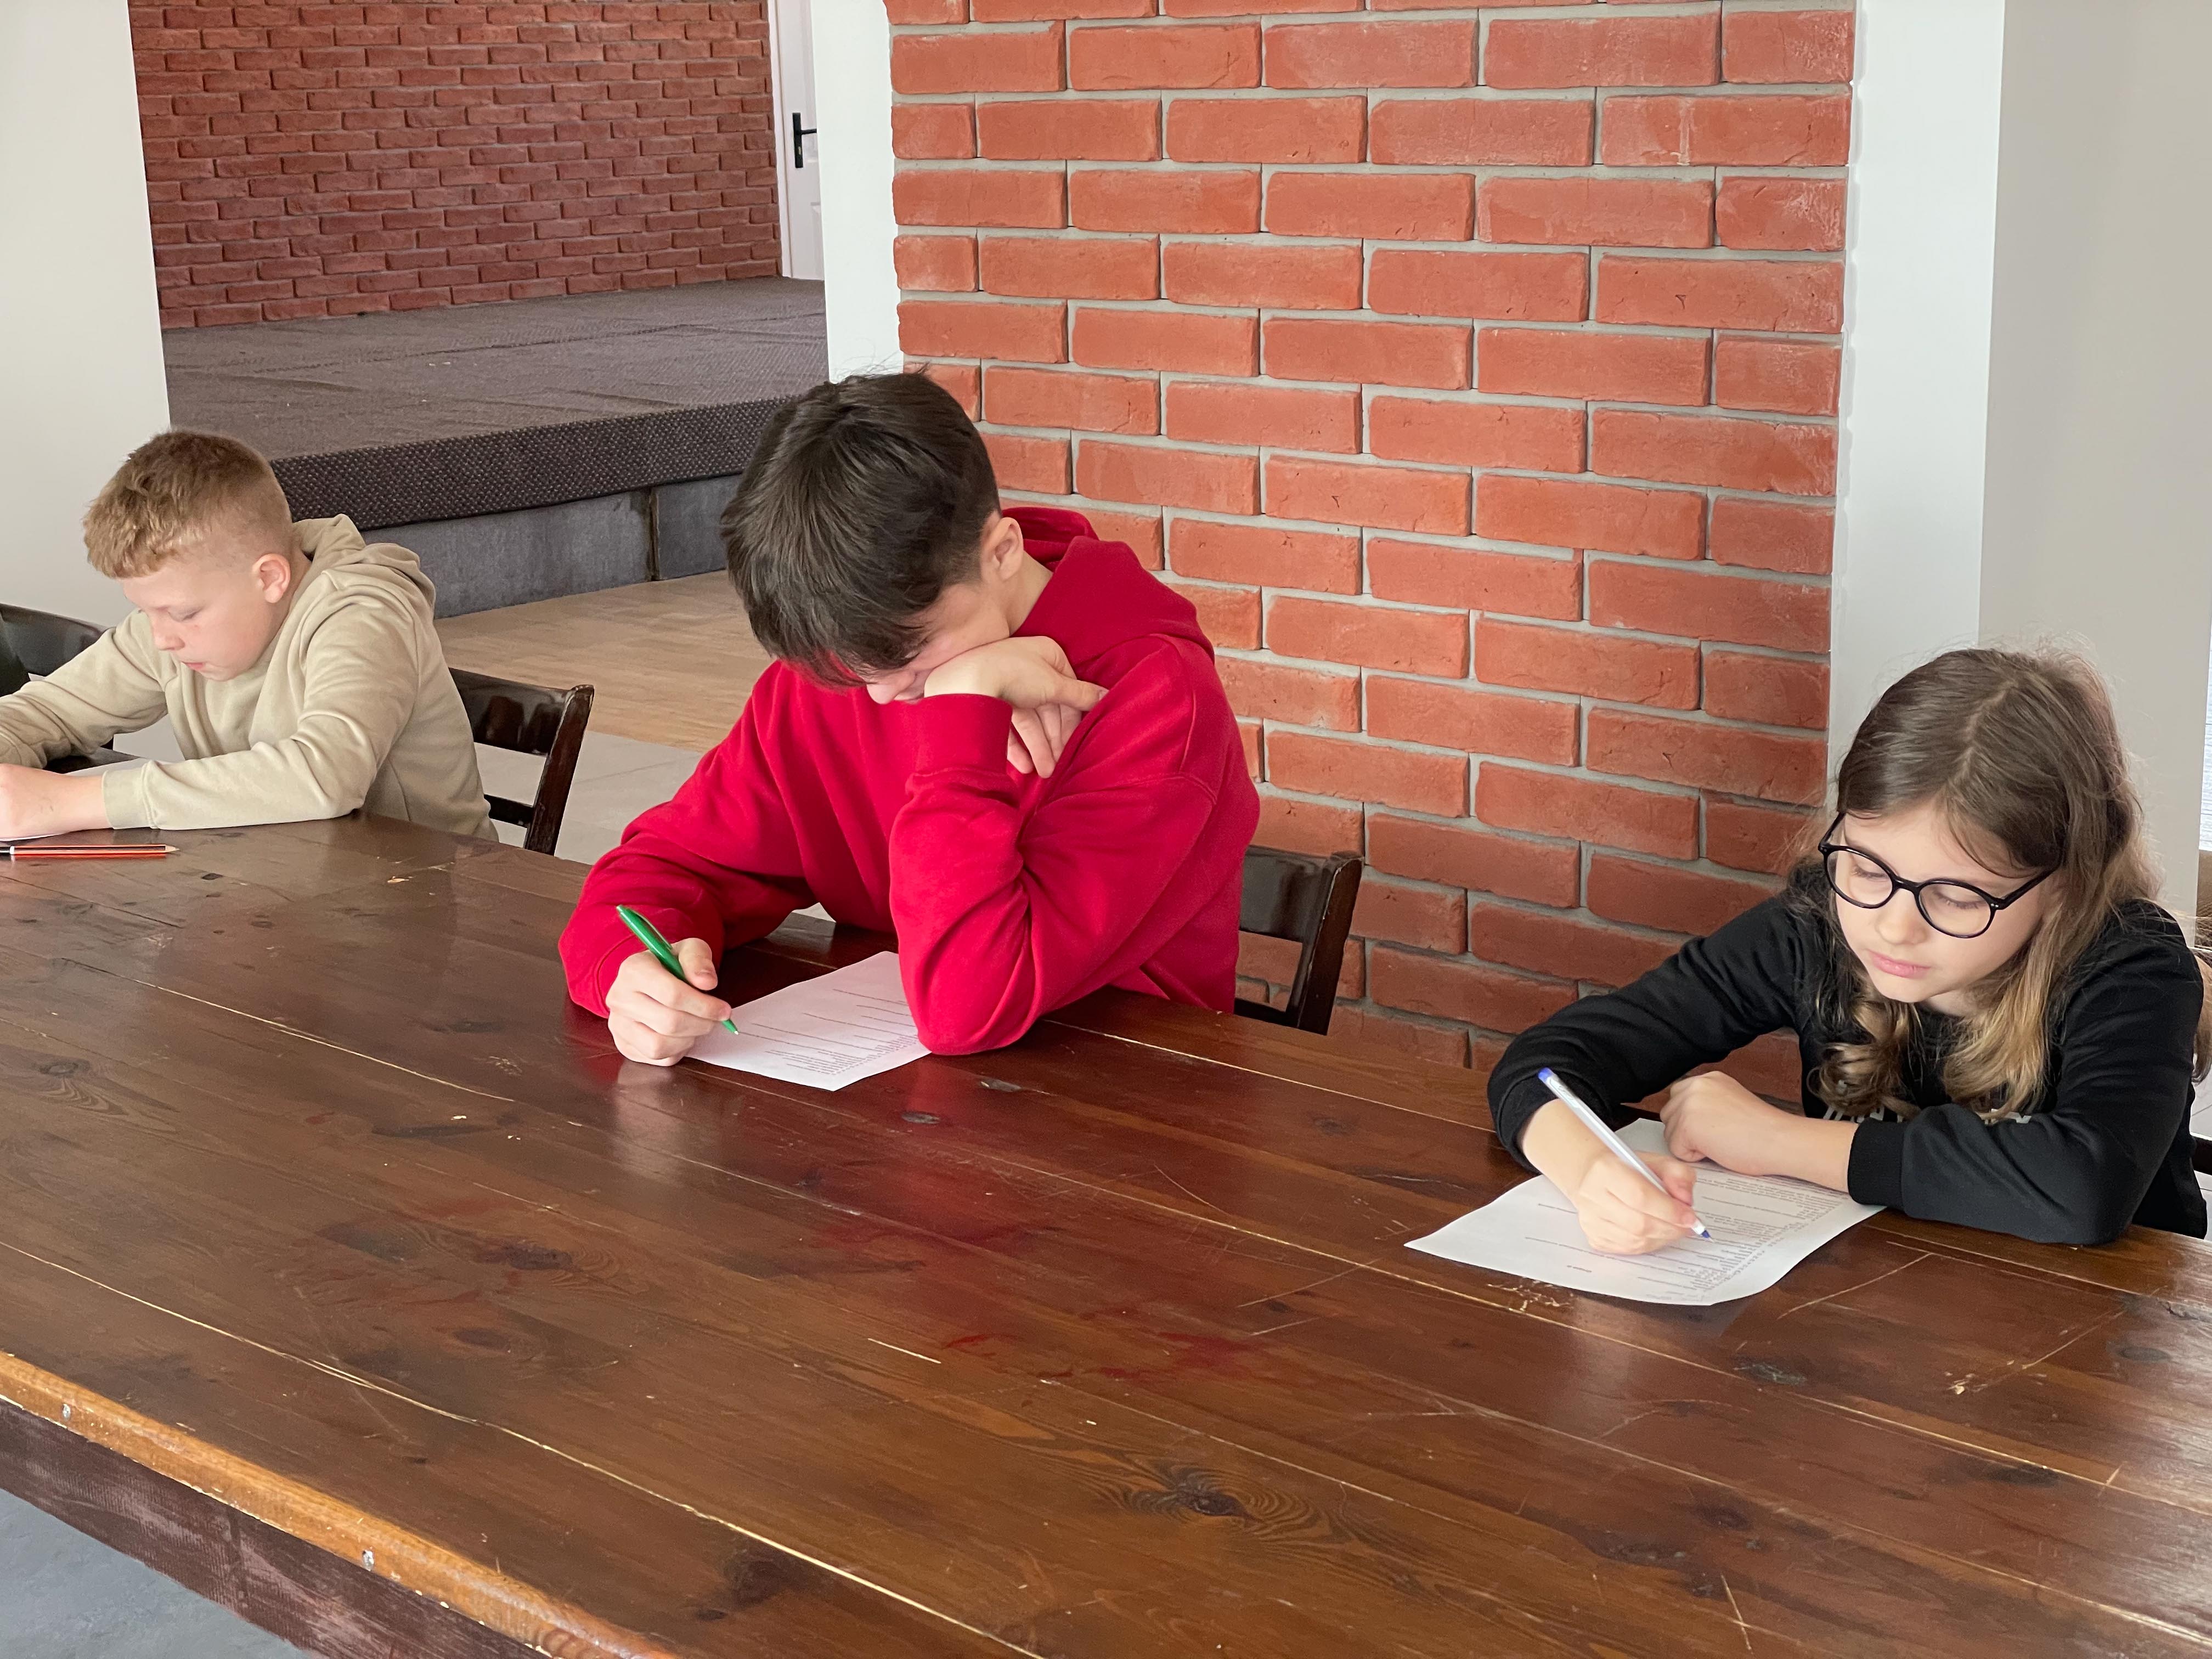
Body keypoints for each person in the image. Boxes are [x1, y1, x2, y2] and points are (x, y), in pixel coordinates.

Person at [560, 371, 1259, 1061]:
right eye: (852, 666)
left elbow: (967, 1007)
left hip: (1131, 1091)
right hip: (898, 1096)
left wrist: (960, 719)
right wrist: (629, 971)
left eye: (912, 652)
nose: (882, 695)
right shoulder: (854, 662)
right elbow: (669, 867)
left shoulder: (1156, 701)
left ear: (1003, 552)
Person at [1489, 647, 2210, 1250]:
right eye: (1867, 869)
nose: (1894, 926)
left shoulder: (2131, 969)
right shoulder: (1813, 927)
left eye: (1956, 896)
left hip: (2100, 1338)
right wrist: (1590, 1173)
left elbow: (2083, 1189)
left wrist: (1775, 1140)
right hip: (1870, 1316)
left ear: (2064, 886)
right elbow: (1548, 1062)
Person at [0, 430, 490, 840]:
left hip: (438, 897)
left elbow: (326, 774)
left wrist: (72, 802)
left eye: (183, 613)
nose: (161, 638)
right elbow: (47, 712)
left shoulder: (364, 614)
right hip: (281, 883)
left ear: (270, 578)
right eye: (146, 612)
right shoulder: (175, 625)